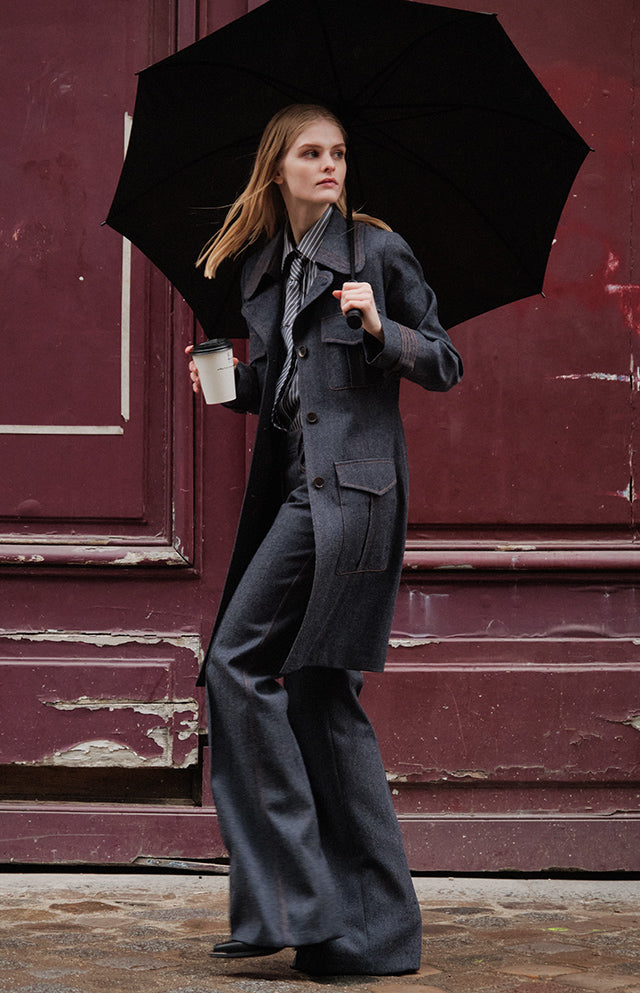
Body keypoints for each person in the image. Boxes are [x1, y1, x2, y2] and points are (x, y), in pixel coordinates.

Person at [186, 103, 463, 976]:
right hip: (297, 491)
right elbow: (285, 388)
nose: (330, 165)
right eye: (311, 153)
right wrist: (232, 384)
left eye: (338, 152)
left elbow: (445, 360)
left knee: (235, 662)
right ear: (279, 168)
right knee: (315, 694)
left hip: (350, 499)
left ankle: (290, 898)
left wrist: (382, 327)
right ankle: (367, 933)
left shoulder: (377, 251)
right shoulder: (267, 266)